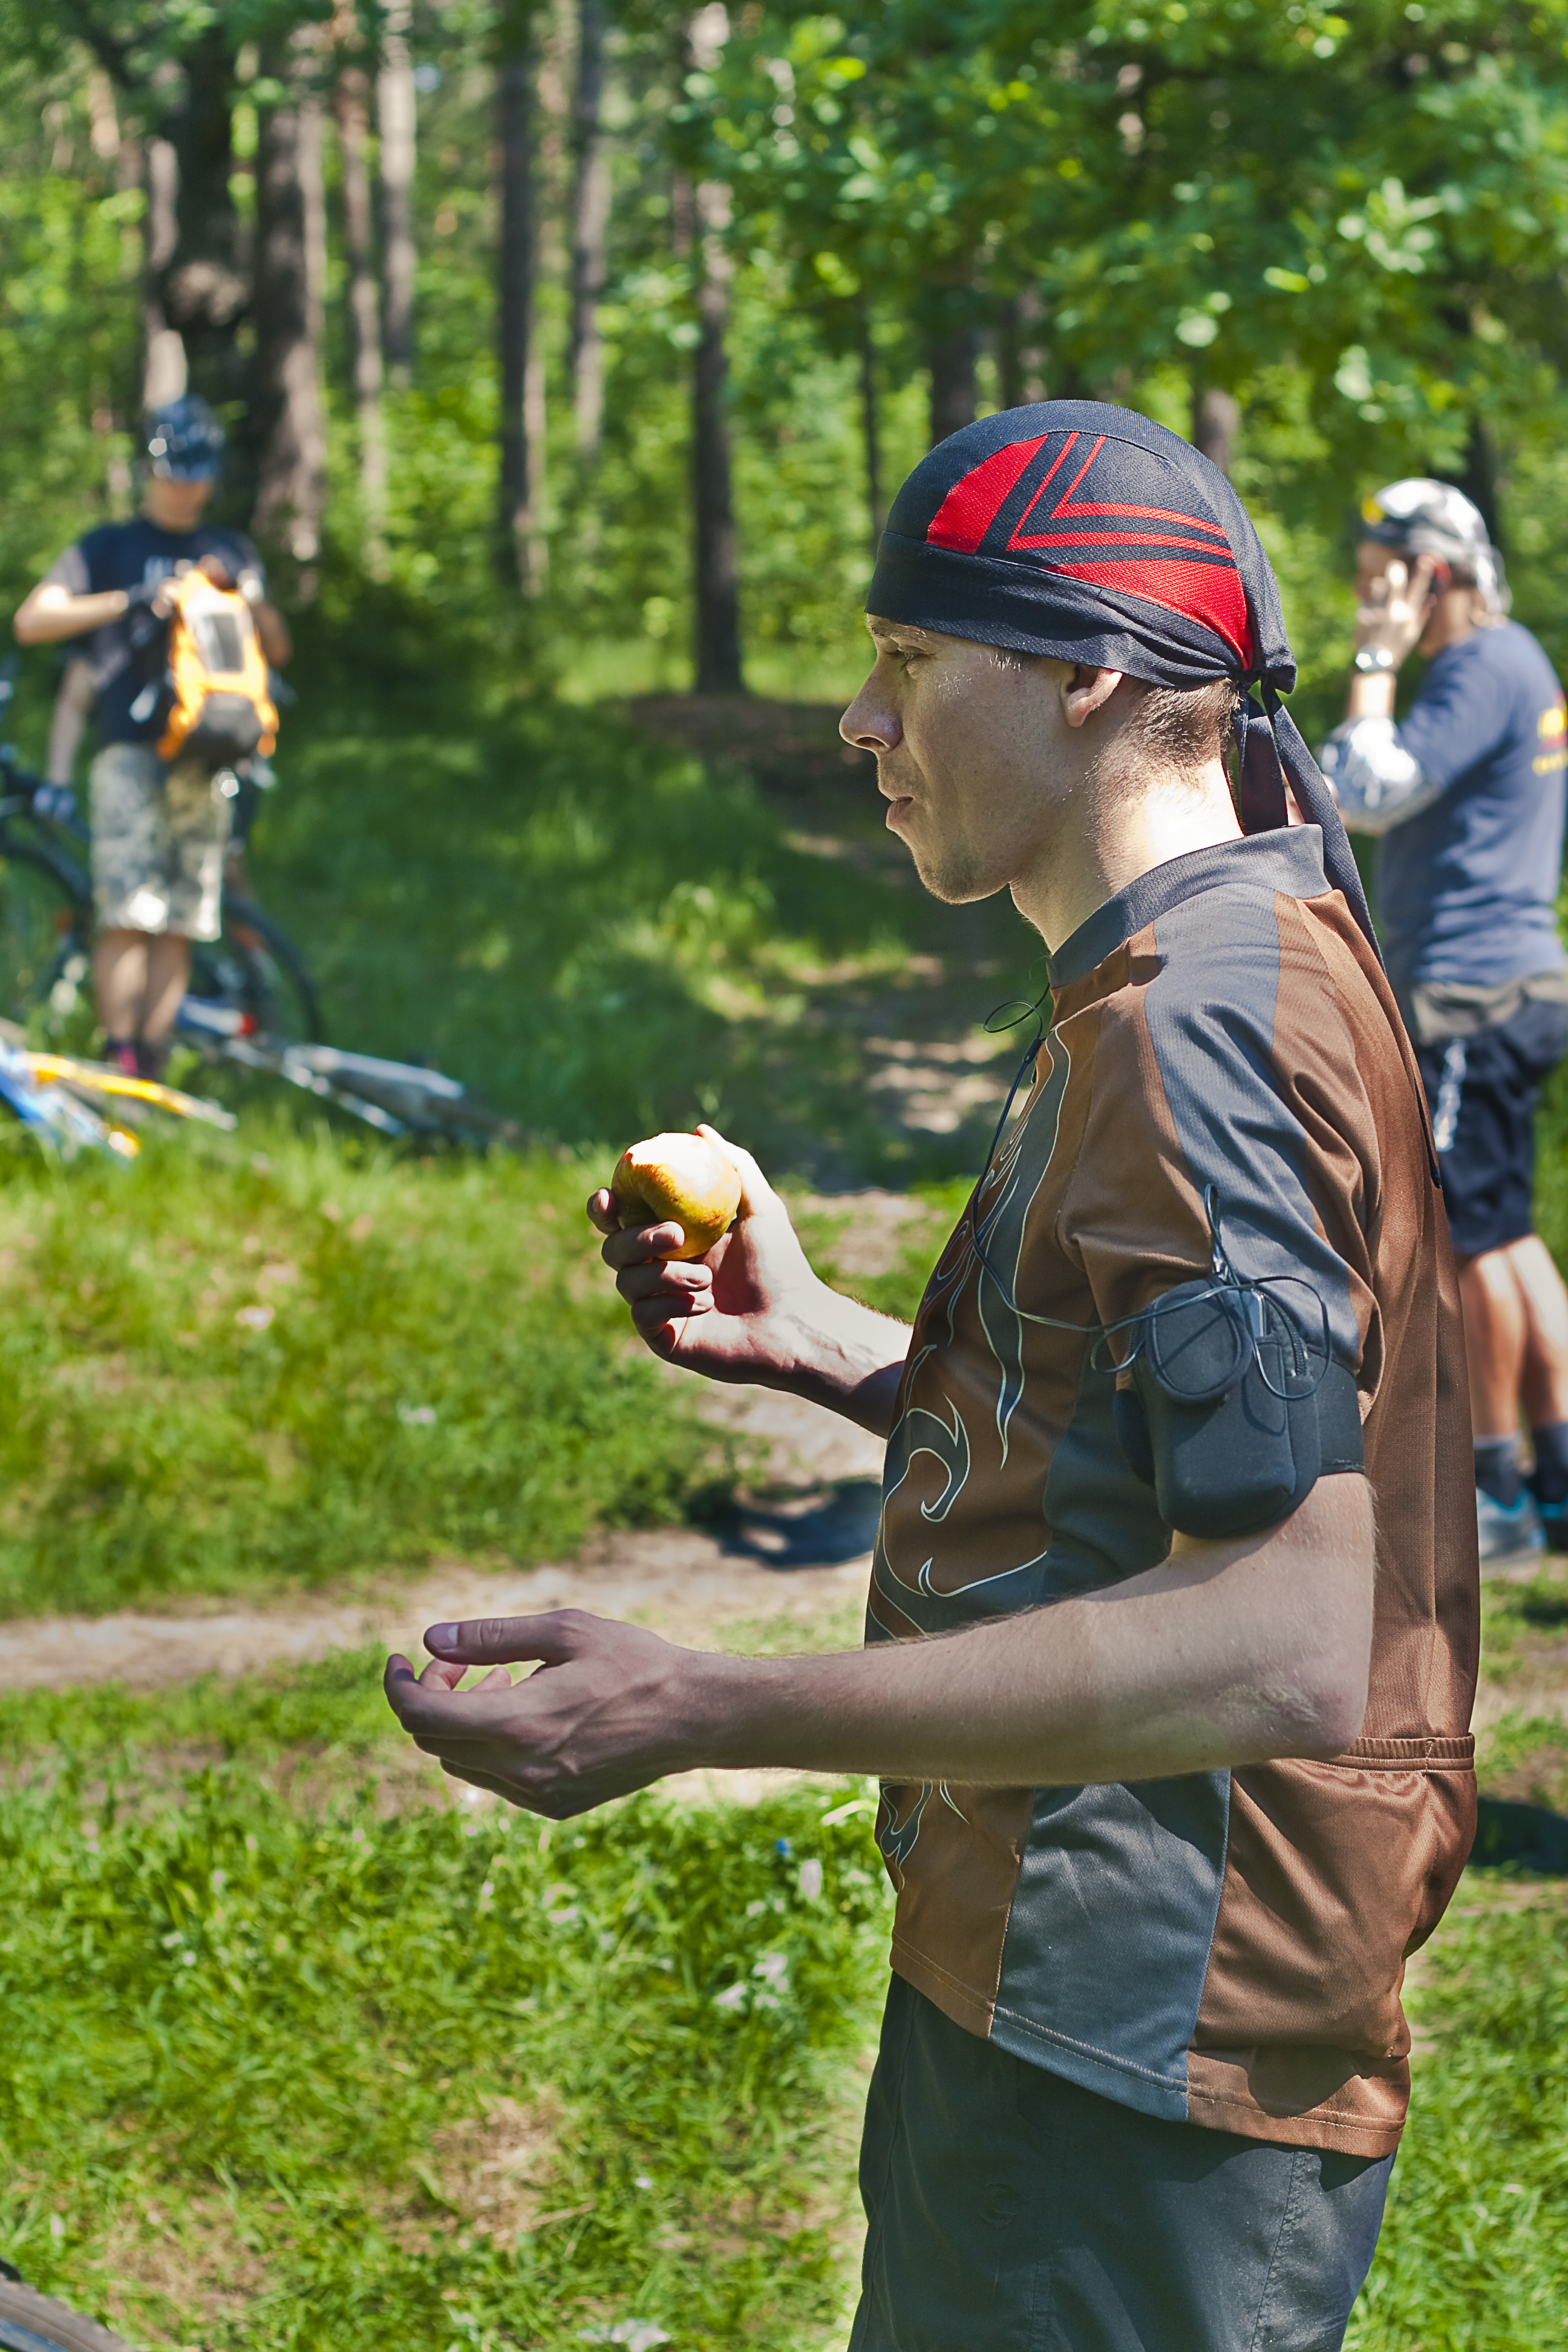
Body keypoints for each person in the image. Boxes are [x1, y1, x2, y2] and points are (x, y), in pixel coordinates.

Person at [385, 403, 1477, 2351]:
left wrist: (705, 1706)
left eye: (906, 657)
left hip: (1137, 2050)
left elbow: (1283, 1637)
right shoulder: (1221, 959)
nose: (858, 719)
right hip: (1074, 2004)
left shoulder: (1201, 1028)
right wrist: (831, 1344)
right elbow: (1176, 1463)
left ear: (1086, 678)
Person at [1319, 480, 1568, 1564]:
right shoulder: (1513, 664)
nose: (1368, 603)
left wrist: (1372, 662)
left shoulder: (1480, 667)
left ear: (1431, 572)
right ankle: (1557, 1483)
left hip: (1471, 996)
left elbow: (1362, 792)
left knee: (1462, 1244)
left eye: (1381, 583)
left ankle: (1497, 1494)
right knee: (1506, 1234)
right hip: (1509, 987)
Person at [12, 396, 292, 1079]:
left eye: (198, 475)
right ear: (149, 470)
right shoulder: (109, 547)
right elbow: (33, 621)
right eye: (175, 474)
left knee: (181, 919)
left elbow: (279, 649)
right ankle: (120, 1057)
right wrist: (136, 600)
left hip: (207, 755)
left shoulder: (230, 549)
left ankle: (152, 1066)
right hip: (131, 751)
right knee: (127, 912)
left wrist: (247, 592)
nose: (187, 488)